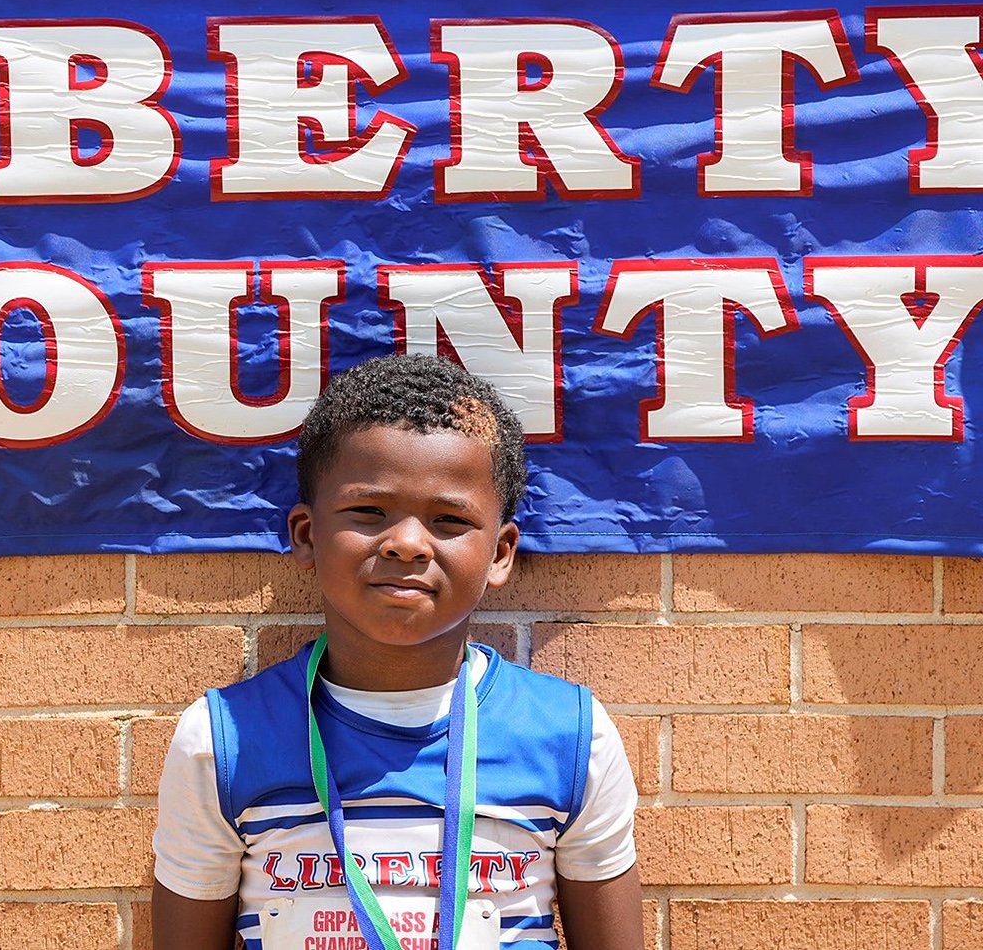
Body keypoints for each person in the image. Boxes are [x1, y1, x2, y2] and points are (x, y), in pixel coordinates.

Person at [152, 353, 641, 950]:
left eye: (449, 519)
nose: (408, 543)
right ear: (307, 535)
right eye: (369, 511)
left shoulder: (569, 736)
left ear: (501, 553)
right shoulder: (221, 739)